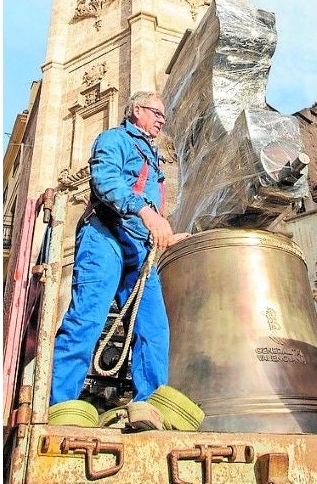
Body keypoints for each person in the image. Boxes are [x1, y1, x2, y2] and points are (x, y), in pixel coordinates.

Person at [49, 91, 188, 429]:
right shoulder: (114, 139)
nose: (161, 120)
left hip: (140, 248)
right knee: (87, 319)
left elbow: (152, 208)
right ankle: (60, 405)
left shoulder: (154, 161)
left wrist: (163, 232)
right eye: (156, 113)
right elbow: (106, 181)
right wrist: (146, 213)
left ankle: (149, 405)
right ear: (136, 111)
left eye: (164, 116)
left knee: (154, 328)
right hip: (105, 236)